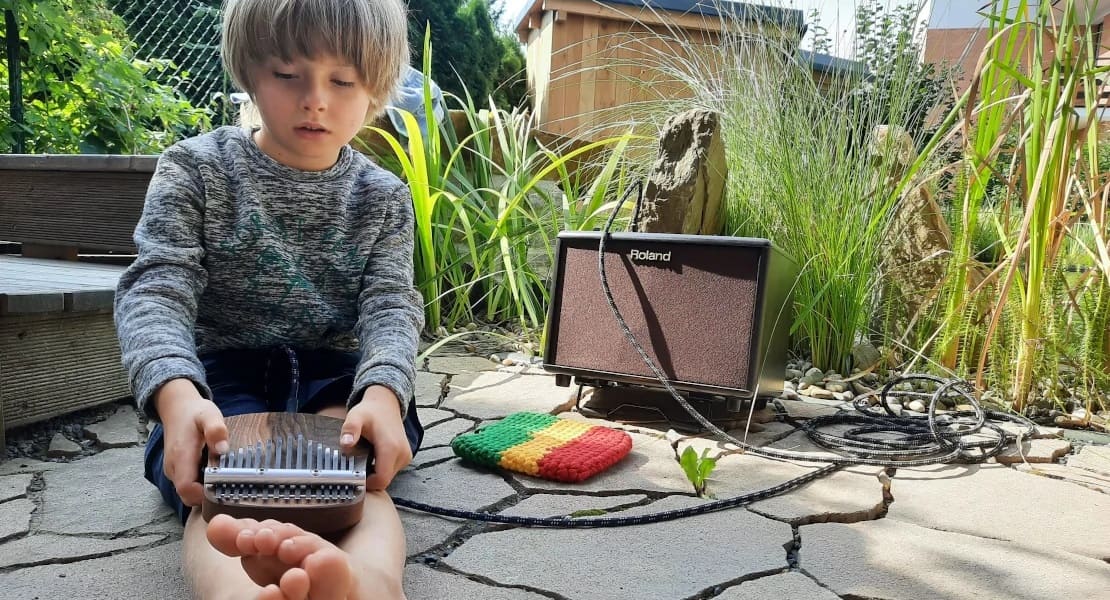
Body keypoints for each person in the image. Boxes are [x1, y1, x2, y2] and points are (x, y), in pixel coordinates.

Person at [113, 1, 423, 598]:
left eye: (343, 80)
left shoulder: (384, 197)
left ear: (378, 88)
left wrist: (384, 393)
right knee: (219, 484)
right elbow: (156, 287)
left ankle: (374, 584)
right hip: (219, 377)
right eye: (288, 74)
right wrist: (177, 398)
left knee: (354, 471)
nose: (314, 99)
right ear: (250, 70)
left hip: (334, 377)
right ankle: (240, 593)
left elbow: (390, 302)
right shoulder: (194, 170)